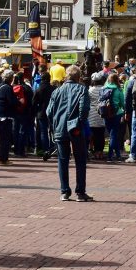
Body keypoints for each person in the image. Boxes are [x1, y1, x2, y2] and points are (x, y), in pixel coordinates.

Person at [47, 66, 93, 201]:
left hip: (60, 128)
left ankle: (65, 191)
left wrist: (55, 123)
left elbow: (49, 111)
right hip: (75, 128)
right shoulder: (81, 89)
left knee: (63, 160)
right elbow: (84, 109)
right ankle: (80, 192)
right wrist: (80, 122)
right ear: (78, 77)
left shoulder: (57, 91)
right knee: (80, 159)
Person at [0, 69, 18, 165]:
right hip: (4, 115)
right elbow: (11, 101)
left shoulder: (0, 85)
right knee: (5, 138)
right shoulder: (7, 88)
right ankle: (3, 159)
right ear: (11, 78)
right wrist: (17, 100)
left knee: (3, 138)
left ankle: (3, 158)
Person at [102, 72, 126, 162]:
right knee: (114, 135)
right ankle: (110, 155)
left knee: (112, 134)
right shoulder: (118, 90)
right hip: (116, 113)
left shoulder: (104, 88)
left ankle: (118, 155)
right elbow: (122, 103)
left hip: (106, 113)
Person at [87, 73, 107, 159]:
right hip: (101, 113)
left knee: (93, 134)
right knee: (101, 134)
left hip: (91, 113)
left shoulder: (90, 90)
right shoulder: (104, 89)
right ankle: (100, 152)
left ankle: (95, 152)